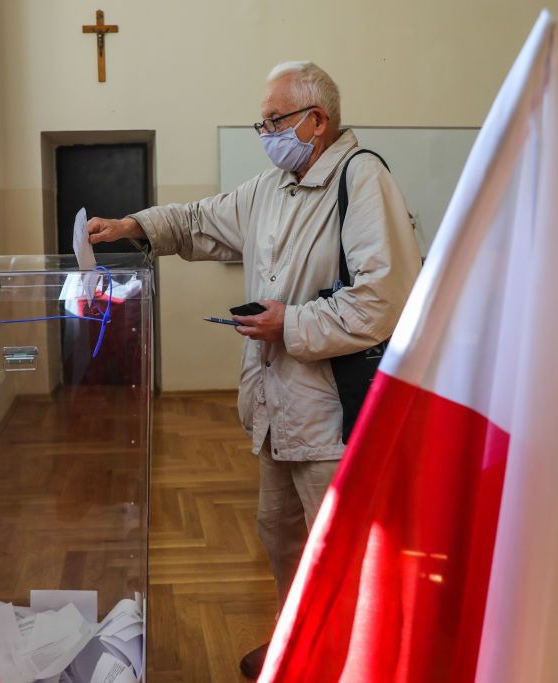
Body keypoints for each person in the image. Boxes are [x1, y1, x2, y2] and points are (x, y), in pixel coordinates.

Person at [88, 61, 421, 678]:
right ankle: (300, 641)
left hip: (332, 412)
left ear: (316, 121)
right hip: (277, 406)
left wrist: (287, 325)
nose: (264, 132)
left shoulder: (362, 178)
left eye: (275, 120)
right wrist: (134, 226)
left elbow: (382, 301)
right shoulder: (274, 186)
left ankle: (353, 661)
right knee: (281, 536)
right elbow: (198, 220)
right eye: (261, 122)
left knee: (340, 550)